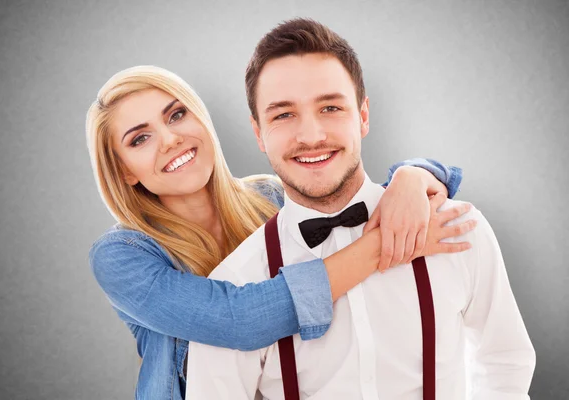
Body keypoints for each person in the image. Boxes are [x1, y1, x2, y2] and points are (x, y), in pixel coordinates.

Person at [185, 18, 536, 400]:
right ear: (258, 133)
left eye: (330, 107)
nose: (311, 136)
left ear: (363, 116)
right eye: (283, 114)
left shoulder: (456, 226)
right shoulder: (236, 283)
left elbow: (505, 361)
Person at [86, 63, 472, 400]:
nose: (171, 139)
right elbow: (238, 319)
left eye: (176, 115)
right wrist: (380, 245)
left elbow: (344, 192)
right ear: (124, 171)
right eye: (140, 138)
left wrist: (413, 174)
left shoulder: (271, 196)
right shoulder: (122, 255)